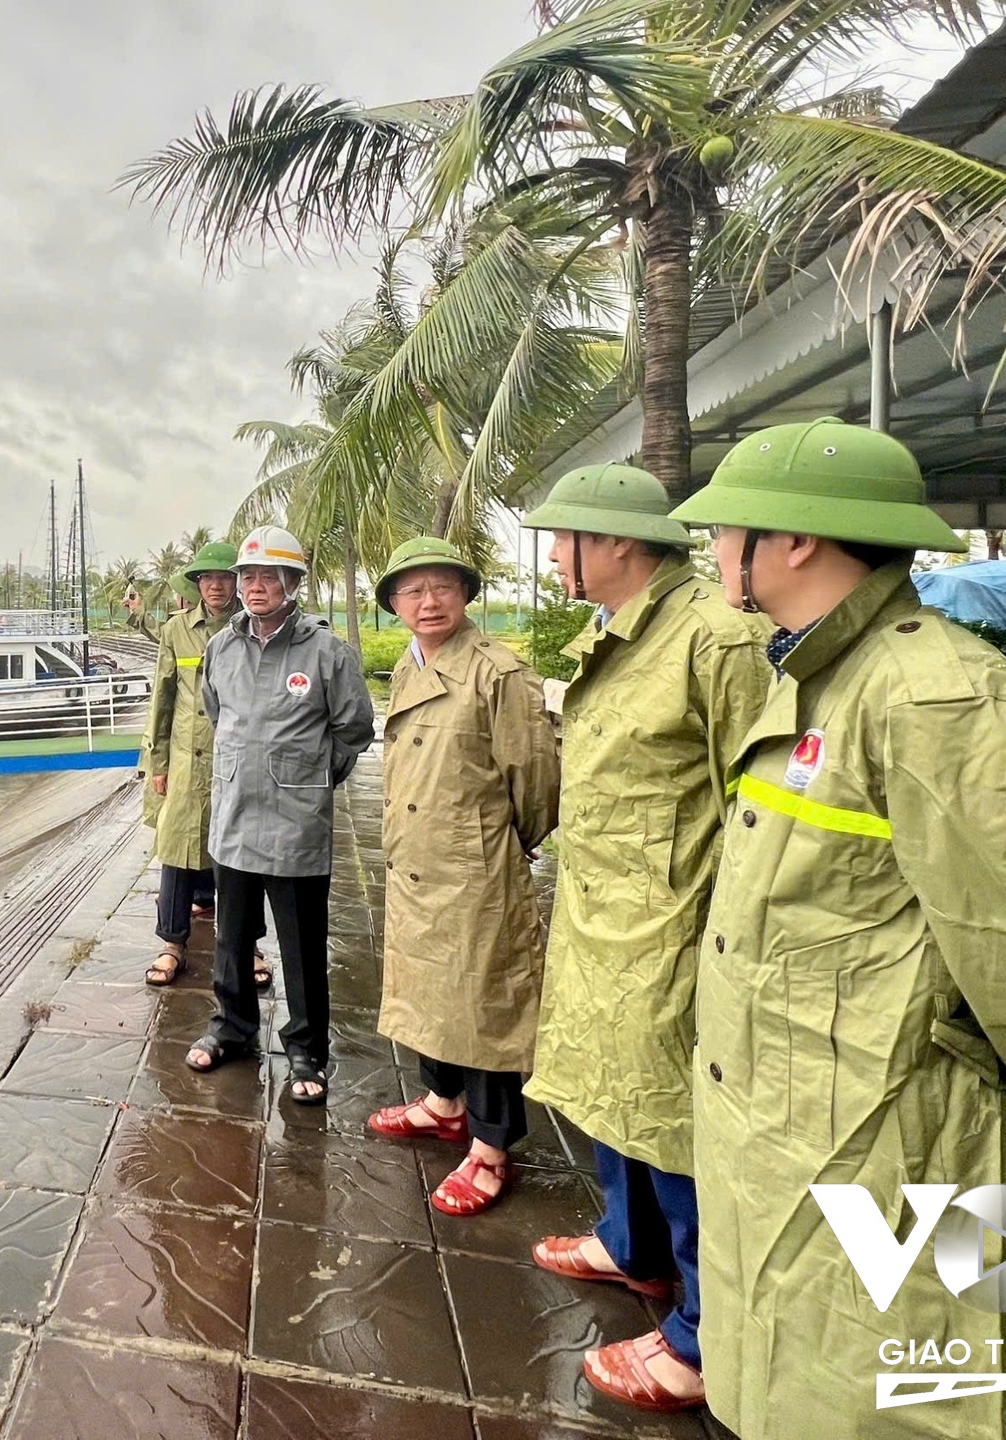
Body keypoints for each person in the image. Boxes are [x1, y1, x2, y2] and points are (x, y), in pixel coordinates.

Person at [665, 418, 1006, 1440]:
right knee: (803, 1375)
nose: (718, 546)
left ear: (797, 541)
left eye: (728, 526)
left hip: (898, 1128)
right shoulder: (820, 674)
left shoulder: (938, 696)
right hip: (790, 1118)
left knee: (945, 1395)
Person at [515, 465, 770, 1415]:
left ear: (616, 543)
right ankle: (633, 1247)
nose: (551, 557)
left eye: (563, 538)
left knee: (672, 1118)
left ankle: (703, 1339)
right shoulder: (617, 633)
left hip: (671, 929)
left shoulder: (717, 640)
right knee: (611, 1090)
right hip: (601, 919)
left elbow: (754, 799)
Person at [363, 537, 559, 1216]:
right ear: (394, 605)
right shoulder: (410, 668)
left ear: (466, 595)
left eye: (443, 587)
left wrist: (503, 844)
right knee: (429, 990)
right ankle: (443, 1103)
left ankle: (491, 1147)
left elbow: (536, 782)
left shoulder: (499, 672)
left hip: (474, 868)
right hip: (417, 861)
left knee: (484, 1003)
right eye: (412, 591)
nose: (429, 602)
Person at [188, 524, 375, 1104]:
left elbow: (355, 729)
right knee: (231, 937)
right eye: (248, 575)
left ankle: (306, 1049)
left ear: (294, 583)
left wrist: (310, 781)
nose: (255, 586)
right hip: (235, 820)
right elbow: (216, 711)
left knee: (300, 948)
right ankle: (232, 1027)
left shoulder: (325, 652)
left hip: (297, 828)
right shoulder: (221, 646)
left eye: (270, 576)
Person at [137, 542, 242, 986]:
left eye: (223, 577)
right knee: (177, 851)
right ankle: (172, 943)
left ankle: (243, 946)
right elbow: (162, 699)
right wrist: (156, 761)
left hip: (235, 759)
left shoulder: (250, 628)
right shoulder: (177, 630)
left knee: (238, 856)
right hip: (184, 759)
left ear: (236, 581)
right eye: (207, 578)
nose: (215, 585)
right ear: (197, 585)